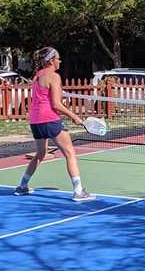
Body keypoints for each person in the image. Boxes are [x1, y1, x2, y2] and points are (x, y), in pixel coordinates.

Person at [14, 46, 94, 200]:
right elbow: (56, 104)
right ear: (51, 61)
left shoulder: (37, 76)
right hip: (50, 119)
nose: (60, 61)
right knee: (70, 153)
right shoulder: (54, 76)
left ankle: (22, 186)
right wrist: (74, 116)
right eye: (58, 58)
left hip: (35, 121)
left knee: (41, 153)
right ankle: (78, 191)